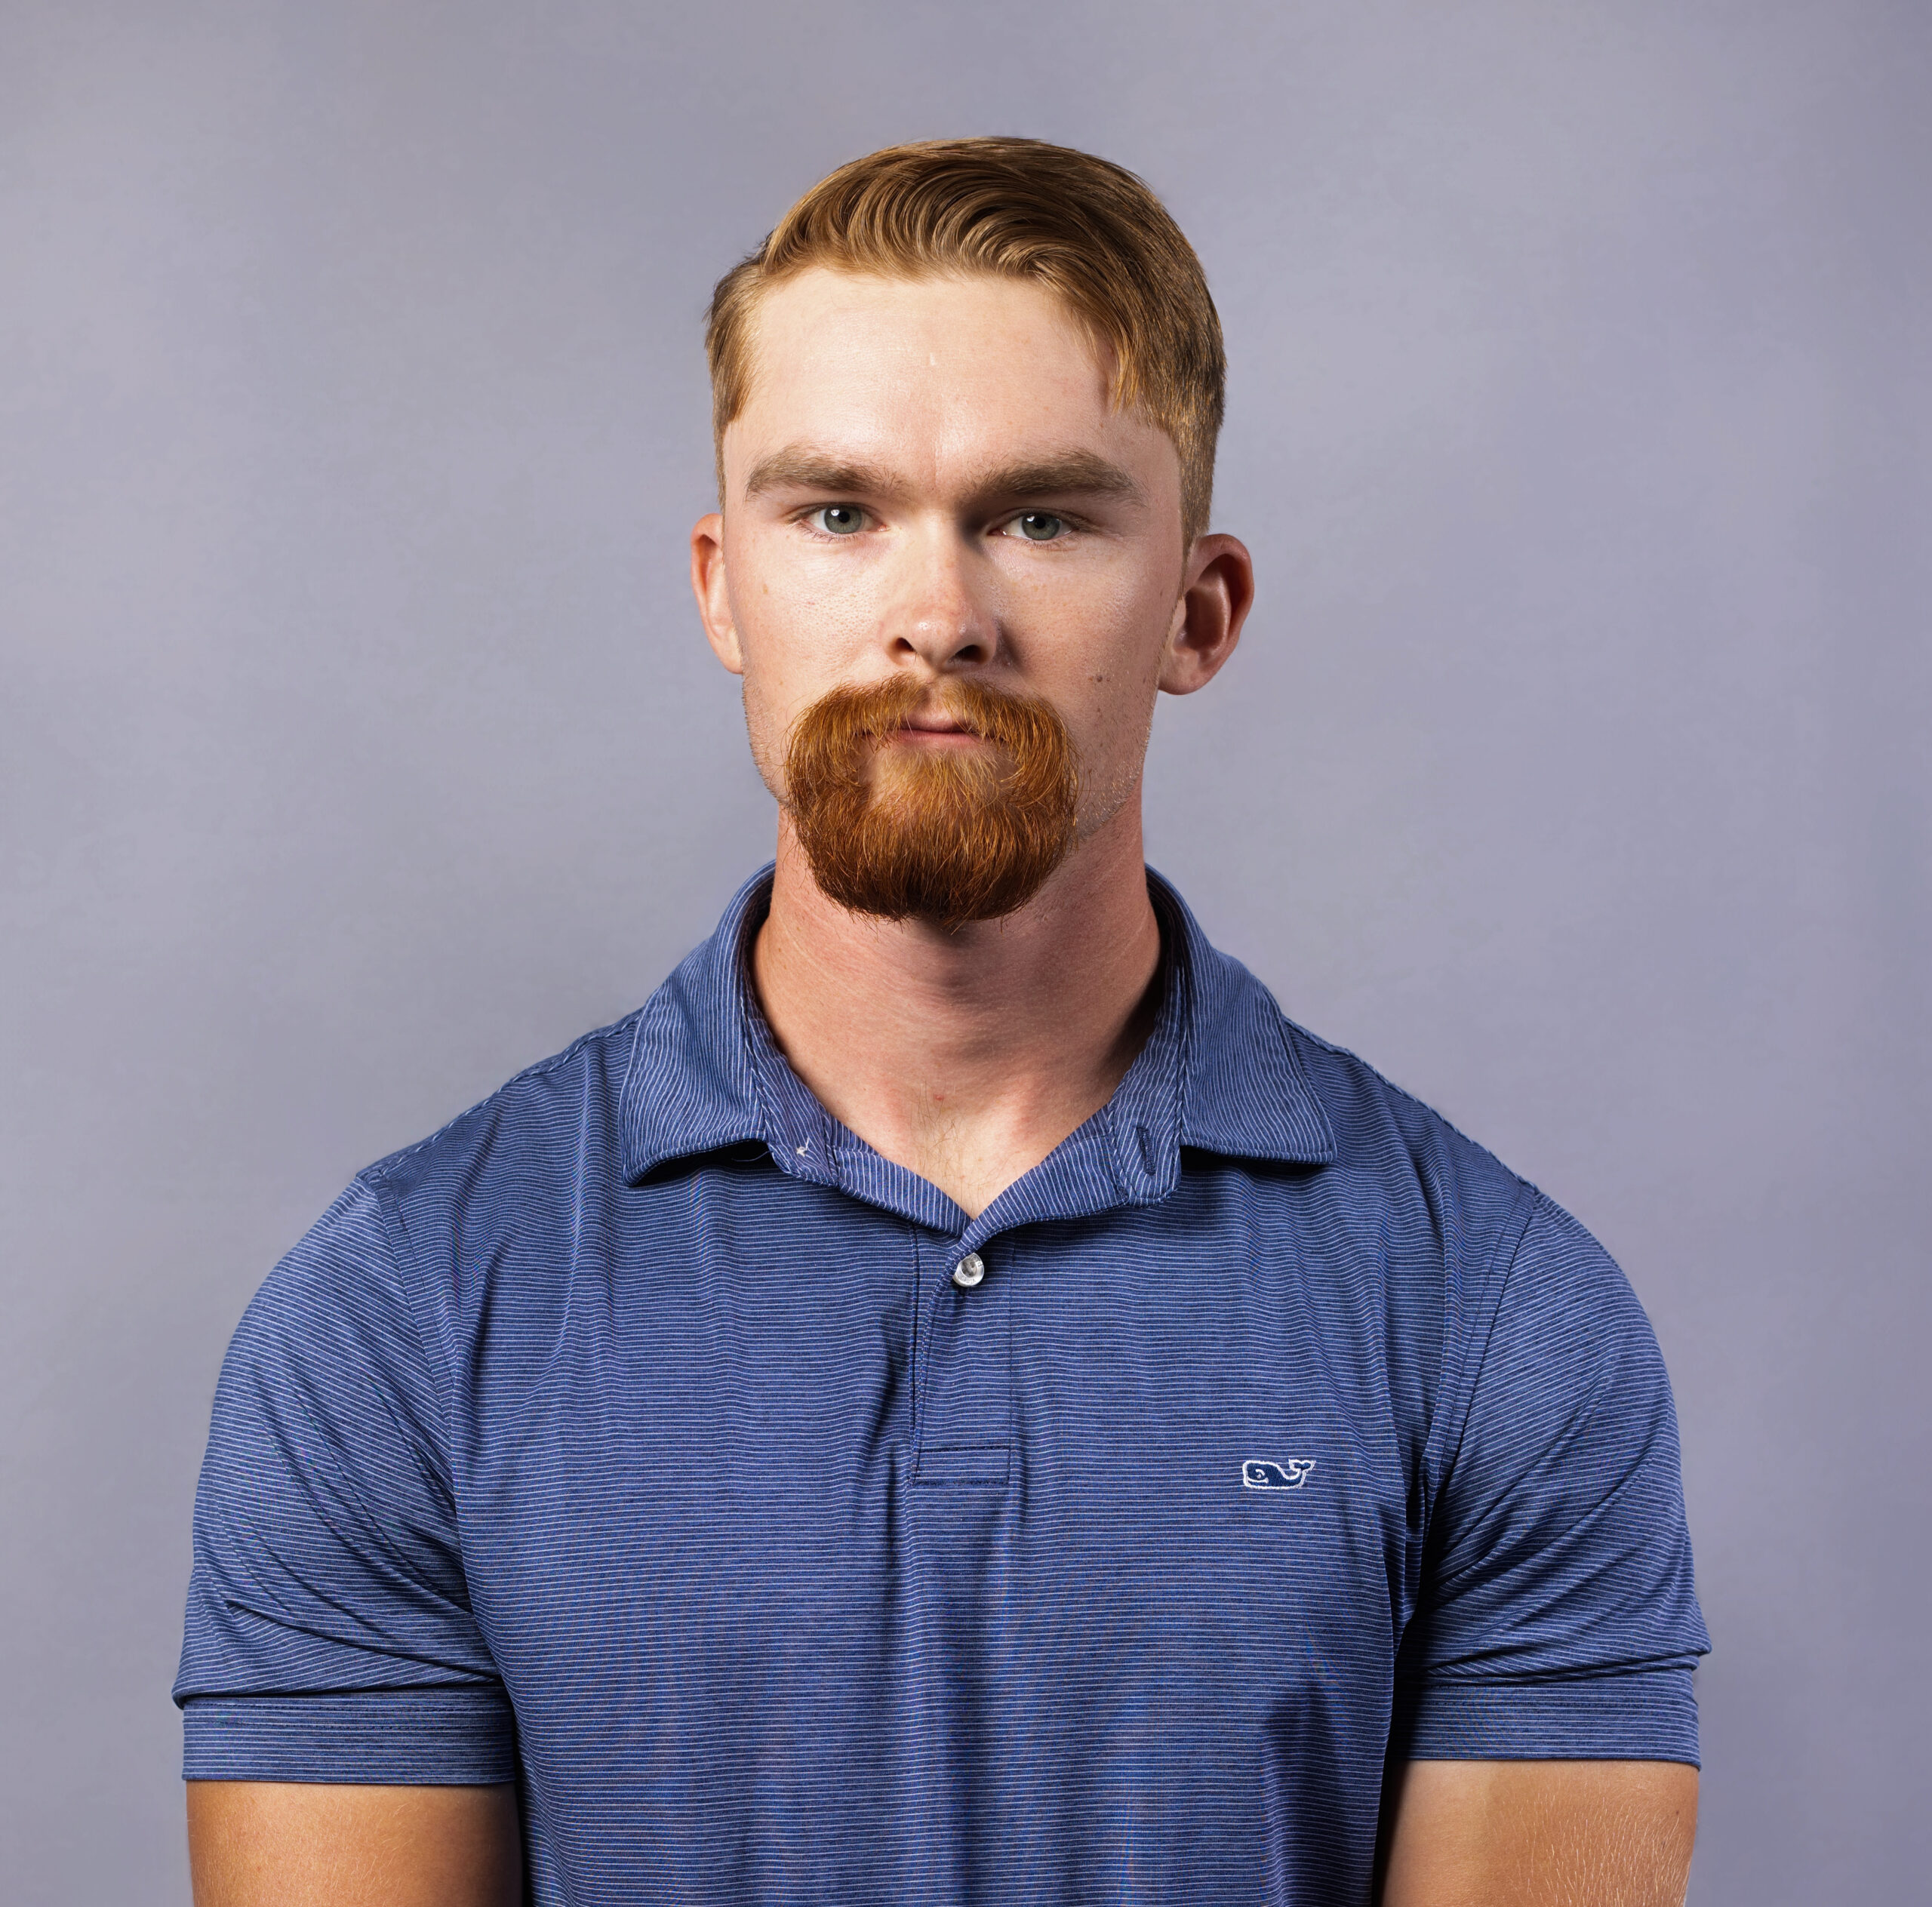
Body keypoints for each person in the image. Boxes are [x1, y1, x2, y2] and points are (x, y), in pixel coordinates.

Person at [177, 137, 1708, 1905]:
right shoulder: (400, 1305)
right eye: (837, 513)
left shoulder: (1494, 1311)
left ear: (1197, 609)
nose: (936, 619)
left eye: (1039, 518)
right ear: (720, 587)